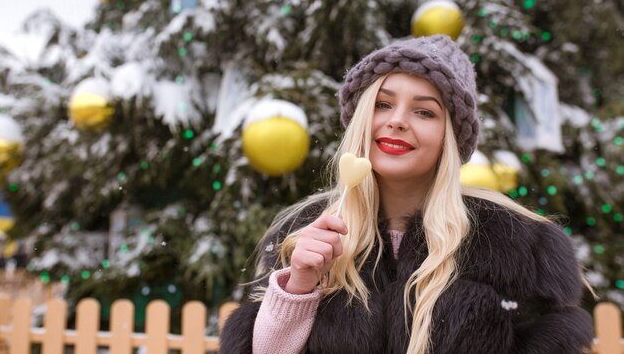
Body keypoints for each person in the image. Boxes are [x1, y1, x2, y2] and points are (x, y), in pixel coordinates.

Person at [219, 35, 594, 353]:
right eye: (383, 104)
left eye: (424, 112)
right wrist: (298, 287)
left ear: (450, 136)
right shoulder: (300, 234)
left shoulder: (519, 245)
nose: (397, 120)